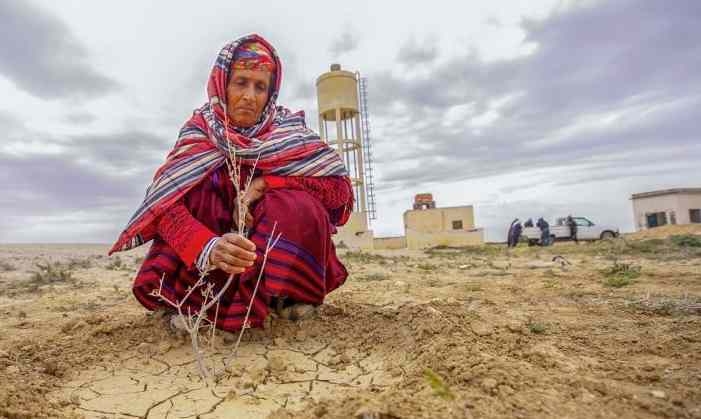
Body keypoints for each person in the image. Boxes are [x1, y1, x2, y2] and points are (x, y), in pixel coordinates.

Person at [110, 34, 354, 331]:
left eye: (260, 86)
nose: (250, 96)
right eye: (241, 82)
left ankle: (286, 297)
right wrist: (206, 247)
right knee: (199, 190)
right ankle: (195, 302)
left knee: (295, 202)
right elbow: (164, 207)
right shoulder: (199, 133)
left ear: (271, 93)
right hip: (209, 265)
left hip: (264, 256)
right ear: (222, 84)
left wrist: (265, 184)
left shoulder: (289, 134)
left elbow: (337, 191)